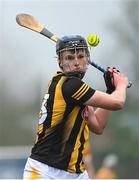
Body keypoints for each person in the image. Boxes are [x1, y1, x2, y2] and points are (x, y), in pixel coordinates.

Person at [23, 35, 128, 179]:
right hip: (44, 171)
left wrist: (111, 91)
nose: (77, 62)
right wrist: (121, 84)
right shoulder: (70, 86)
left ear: (88, 59)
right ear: (60, 62)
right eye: (70, 58)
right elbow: (118, 103)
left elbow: (97, 126)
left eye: (80, 56)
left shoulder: (77, 91)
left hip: (76, 174)